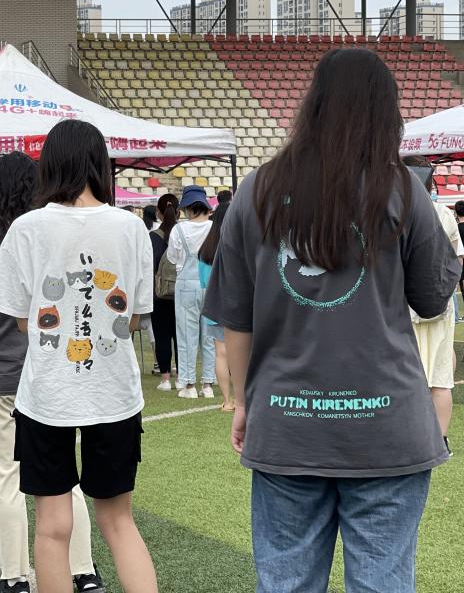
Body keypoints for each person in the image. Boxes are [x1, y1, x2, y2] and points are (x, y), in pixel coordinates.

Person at [203, 48, 459, 593]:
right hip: (387, 427)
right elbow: (434, 298)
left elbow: (236, 320)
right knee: (383, 582)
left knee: (287, 583)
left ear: (313, 105)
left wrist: (245, 403)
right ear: (387, 113)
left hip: (287, 424)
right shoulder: (404, 190)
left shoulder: (257, 190)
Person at [0, 119, 156, 593]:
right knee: (119, 522)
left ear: (49, 165)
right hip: (115, 395)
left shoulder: (25, 229)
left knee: (52, 527)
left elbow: (22, 321)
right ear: (100, 164)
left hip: (47, 395)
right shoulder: (132, 228)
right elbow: (133, 318)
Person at [0, 151, 107, 593]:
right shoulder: (53, 239)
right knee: (64, 475)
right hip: (50, 371)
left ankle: (15, 576)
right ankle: (83, 570)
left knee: (4, 476)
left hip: (0, 375)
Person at [404, 158, 462, 455]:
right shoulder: (444, 214)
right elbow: (456, 260)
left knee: (406, 376)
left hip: (402, 306)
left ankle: (408, 441)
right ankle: (439, 441)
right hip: (438, 303)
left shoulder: (393, 212)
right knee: (440, 378)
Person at [167, 185, 215, 399]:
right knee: (209, 336)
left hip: (187, 283)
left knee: (187, 335)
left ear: (188, 207)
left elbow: (172, 257)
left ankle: (188, 384)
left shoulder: (179, 229)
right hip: (210, 283)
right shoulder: (215, 227)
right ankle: (208, 384)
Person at [197, 202, 234, 412]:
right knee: (242, 352)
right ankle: (243, 399)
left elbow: (203, 282)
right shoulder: (236, 244)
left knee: (221, 353)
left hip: (214, 305)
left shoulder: (206, 249)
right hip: (237, 306)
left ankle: (227, 401)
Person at [150, 194, 179, 390]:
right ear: (178, 212)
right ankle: (183, 376)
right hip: (182, 291)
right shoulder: (183, 234)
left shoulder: (152, 238)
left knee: (161, 336)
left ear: (158, 213)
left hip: (158, 293)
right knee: (181, 336)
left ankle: (165, 379)